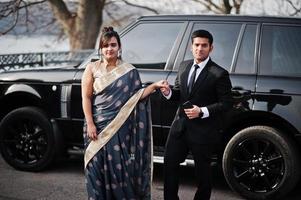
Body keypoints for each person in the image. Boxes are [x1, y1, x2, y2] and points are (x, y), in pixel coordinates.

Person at [81, 26, 166, 200]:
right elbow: (86, 98)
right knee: (95, 170)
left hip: (120, 129)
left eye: (113, 45)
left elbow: (136, 97)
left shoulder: (129, 71)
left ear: (119, 47)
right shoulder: (91, 68)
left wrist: (154, 86)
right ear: (101, 48)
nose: (109, 49)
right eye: (105, 46)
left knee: (118, 170)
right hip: (95, 126)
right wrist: (90, 123)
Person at [160, 29, 233, 200]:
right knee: (169, 165)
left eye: (204, 45)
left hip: (204, 131)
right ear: (191, 47)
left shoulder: (219, 73)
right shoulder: (184, 66)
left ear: (211, 48)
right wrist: (168, 92)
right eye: (197, 45)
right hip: (179, 128)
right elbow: (179, 94)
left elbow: (227, 103)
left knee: (203, 174)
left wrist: (202, 111)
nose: (200, 49)